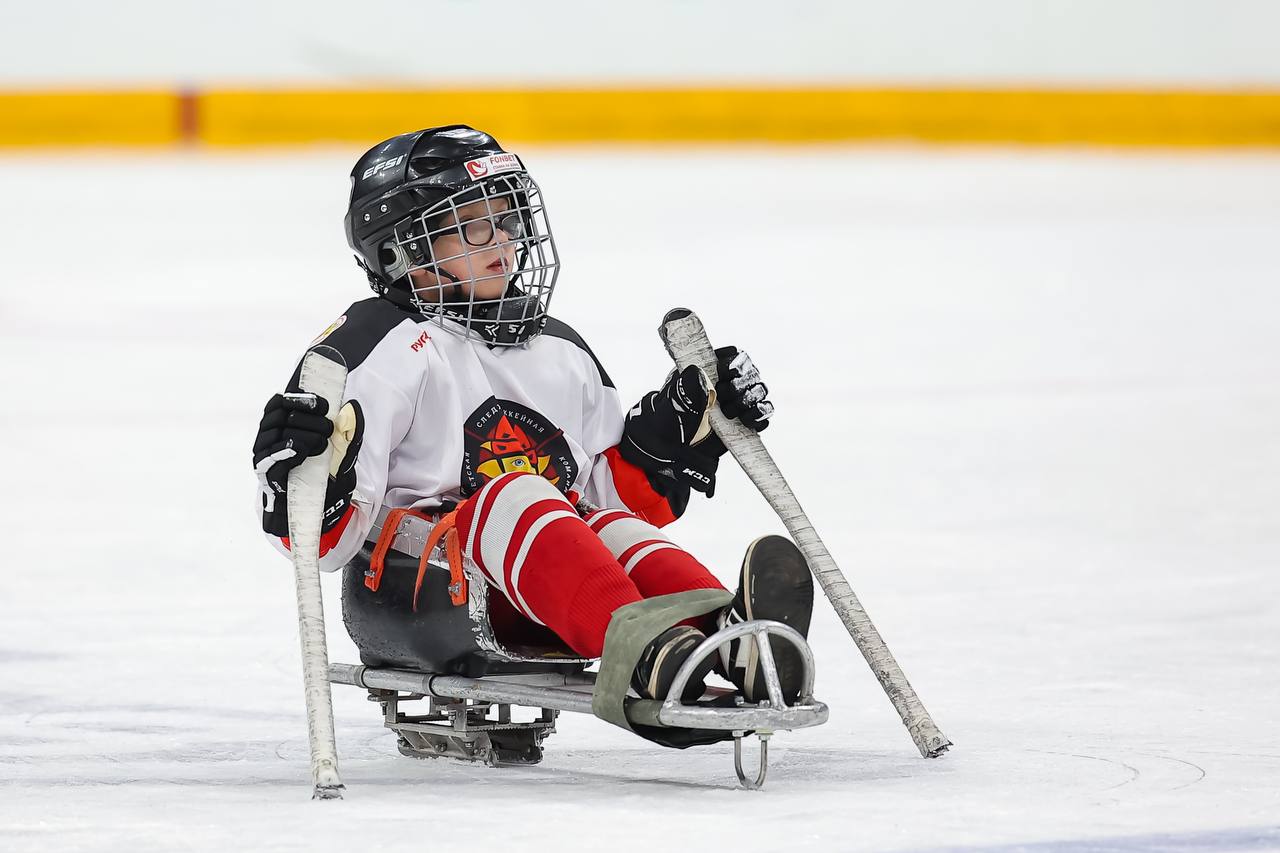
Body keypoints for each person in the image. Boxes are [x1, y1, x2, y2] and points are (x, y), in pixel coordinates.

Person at [252, 125, 811, 703]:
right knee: (516, 496)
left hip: (557, 599)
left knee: (607, 527)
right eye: (474, 226)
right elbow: (322, 546)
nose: (504, 242)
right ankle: (644, 649)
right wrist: (299, 476)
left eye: (509, 219)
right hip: (418, 600)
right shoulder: (375, 347)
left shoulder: (559, 349)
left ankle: (725, 640)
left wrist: (674, 429)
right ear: (404, 250)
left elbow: (610, 497)